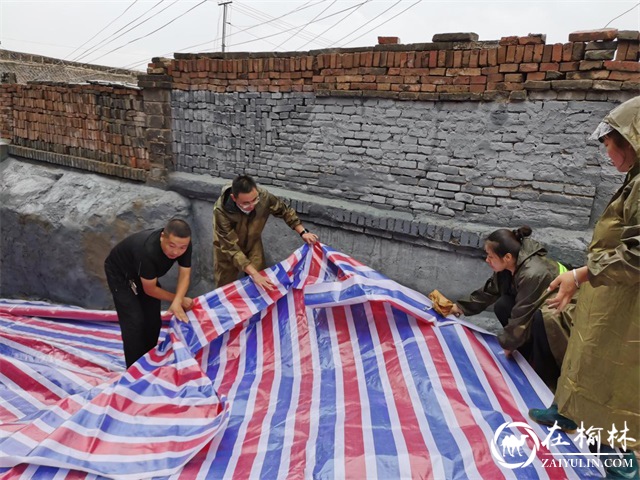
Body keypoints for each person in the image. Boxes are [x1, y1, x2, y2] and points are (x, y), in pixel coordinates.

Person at [529, 97, 639, 477]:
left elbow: (637, 255)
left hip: (628, 303)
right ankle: (566, 413)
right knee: (583, 355)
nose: (607, 153)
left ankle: (621, 468)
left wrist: (579, 275)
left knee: (612, 383)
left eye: (610, 144)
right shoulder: (633, 181)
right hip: (608, 290)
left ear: (630, 141)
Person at [449, 226, 572, 388]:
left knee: (541, 319)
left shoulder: (533, 273)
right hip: (539, 308)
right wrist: (459, 308)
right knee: (503, 305)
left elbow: (522, 313)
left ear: (507, 257)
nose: (487, 260)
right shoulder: (508, 267)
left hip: (564, 316)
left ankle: (546, 377)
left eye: (490, 256)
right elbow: (489, 291)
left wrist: (508, 343)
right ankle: (527, 356)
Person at [104, 218, 194, 368]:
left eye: (182, 248)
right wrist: (177, 300)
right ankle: (134, 370)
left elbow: (185, 274)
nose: (176, 252)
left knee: (153, 319)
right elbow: (150, 290)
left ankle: (149, 360)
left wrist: (178, 301)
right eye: (171, 245)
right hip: (120, 273)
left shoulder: (183, 243)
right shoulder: (147, 251)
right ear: (162, 237)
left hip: (145, 277)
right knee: (134, 321)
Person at [213, 175, 318, 290]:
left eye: (254, 200)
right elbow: (231, 248)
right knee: (224, 288)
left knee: (260, 284)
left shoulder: (264, 197)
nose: (252, 205)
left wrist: (303, 232)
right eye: (246, 203)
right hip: (227, 249)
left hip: (253, 244)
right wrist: (255, 275)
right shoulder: (221, 211)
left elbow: (284, 210)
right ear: (234, 198)